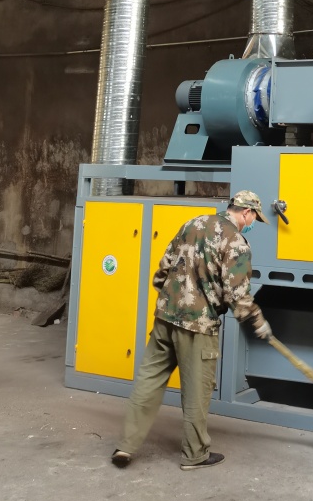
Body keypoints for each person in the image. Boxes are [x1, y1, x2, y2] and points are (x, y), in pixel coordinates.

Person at [111, 190, 272, 471]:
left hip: (165, 317)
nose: (252, 224)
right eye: (254, 218)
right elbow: (238, 296)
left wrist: (170, 297)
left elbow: (163, 268)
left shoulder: (193, 223)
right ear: (246, 212)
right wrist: (258, 322)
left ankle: (125, 446)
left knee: (149, 382)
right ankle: (195, 455)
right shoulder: (236, 242)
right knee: (197, 391)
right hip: (198, 326)